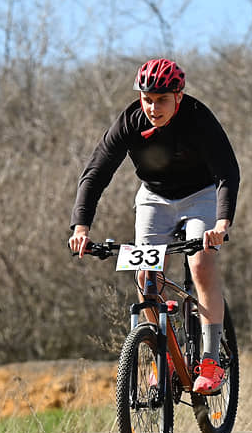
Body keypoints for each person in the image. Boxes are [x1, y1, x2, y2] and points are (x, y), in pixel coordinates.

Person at [68, 58, 240, 394]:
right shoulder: (129, 122)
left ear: (179, 95)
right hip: (154, 197)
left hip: (201, 195)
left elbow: (226, 173)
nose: (152, 107)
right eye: (147, 99)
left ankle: (210, 360)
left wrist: (221, 223)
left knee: (201, 263)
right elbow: (95, 173)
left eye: (161, 99)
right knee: (147, 276)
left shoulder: (198, 118)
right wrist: (81, 227)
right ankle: (161, 353)